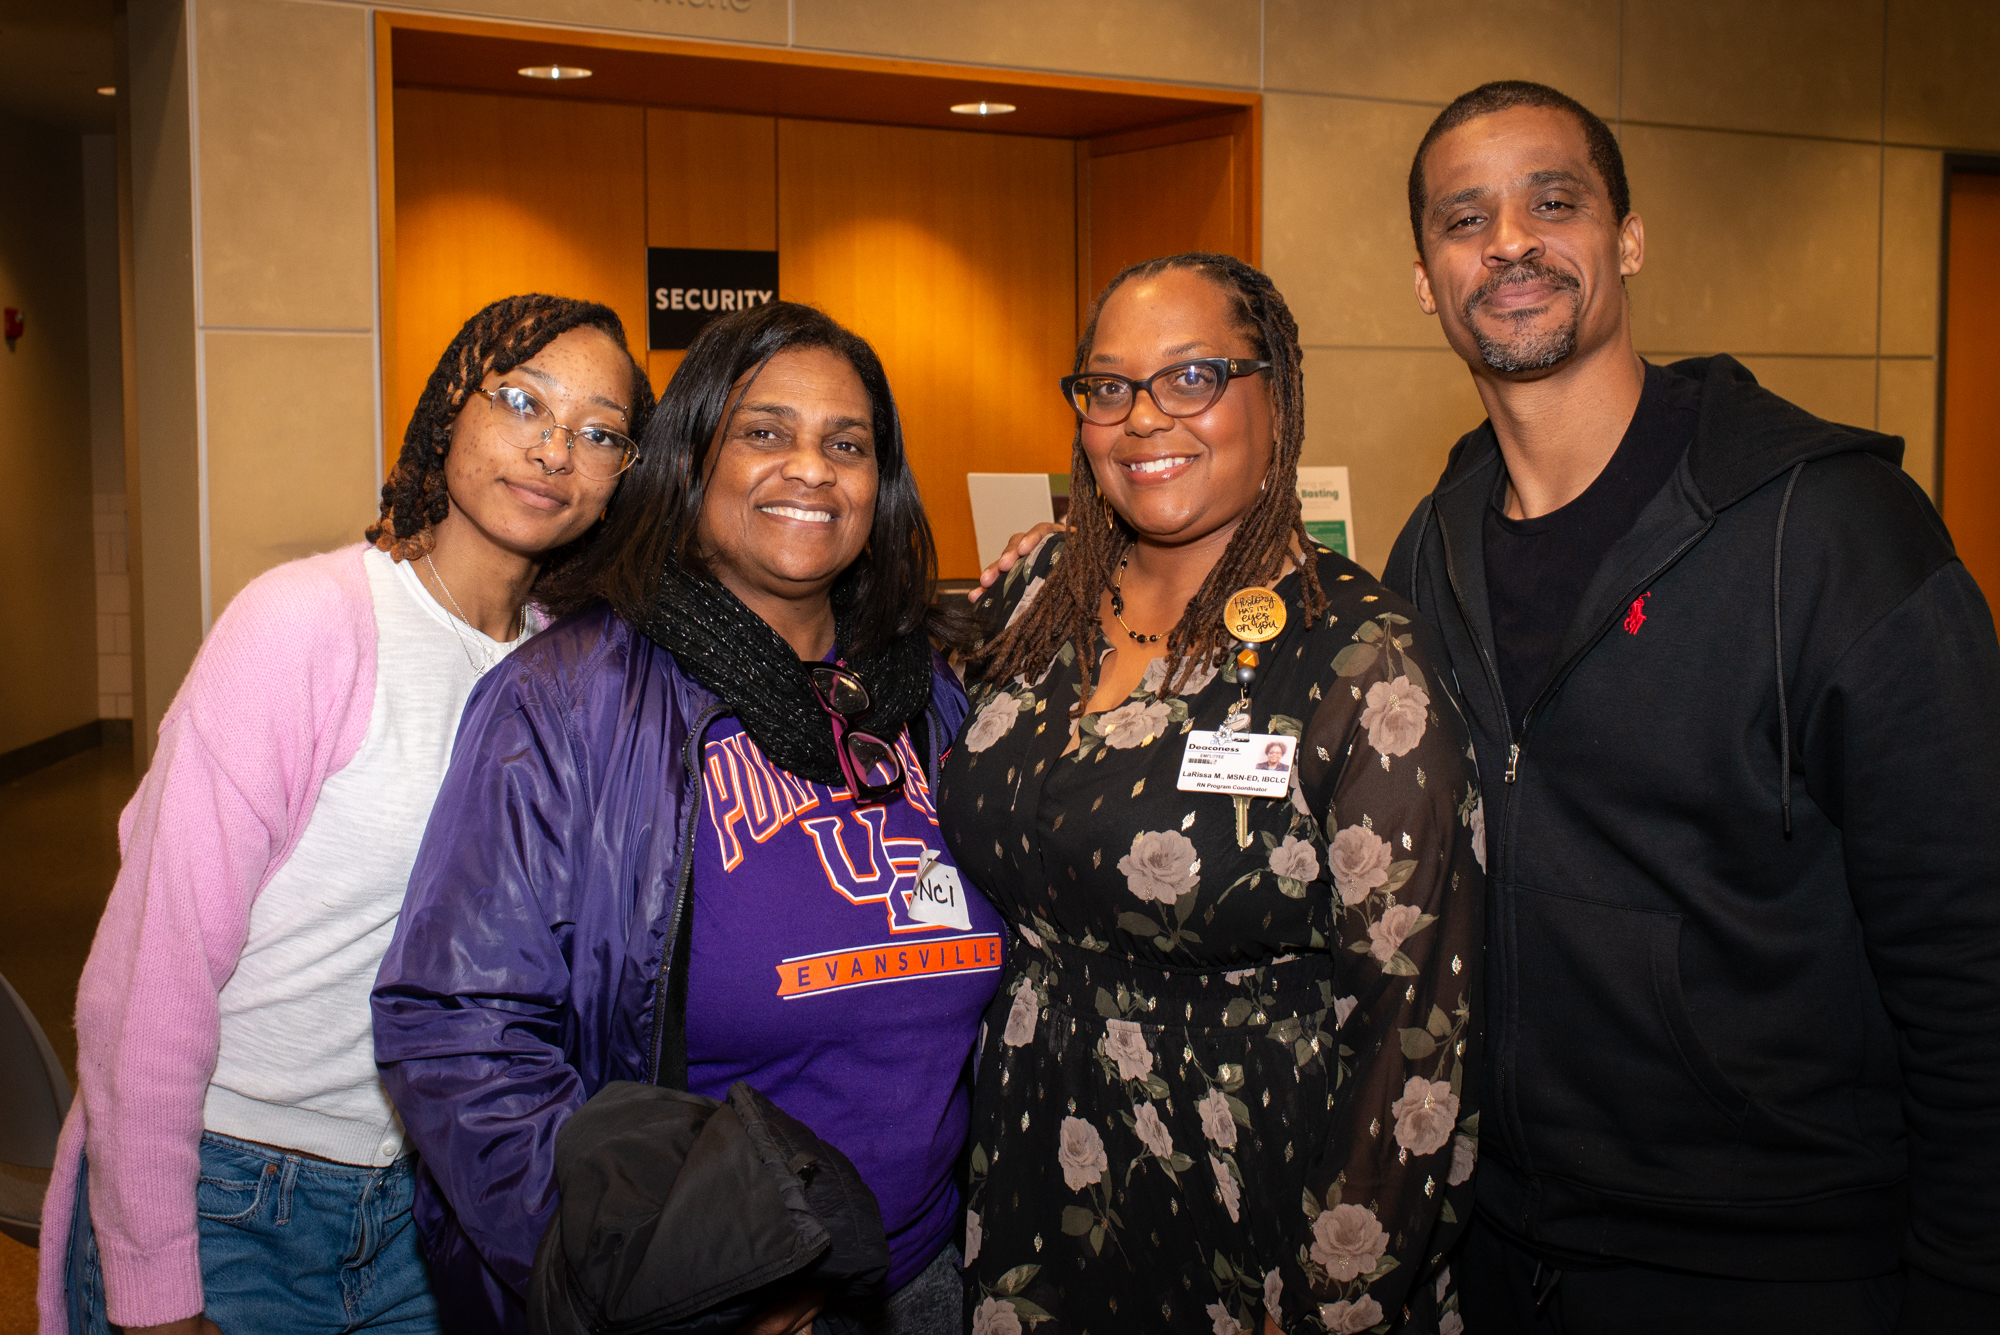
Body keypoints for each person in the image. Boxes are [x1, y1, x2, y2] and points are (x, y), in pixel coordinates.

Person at [1384, 80, 2000, 1333]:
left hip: (1775, 1268)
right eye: (1465, 219)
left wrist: (1965, 1282)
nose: (1508, 243)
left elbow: (1967, 949)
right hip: (1495, 1252)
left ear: (1626, 240)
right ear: (1423, 282)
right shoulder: (1432, 546)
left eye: (1552, 203)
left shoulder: (1828, 531)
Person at [370, 301, 997, 1335]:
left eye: (846, 444)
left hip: (931, 1271)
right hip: (707, 1297)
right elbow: (456, 1029)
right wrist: (656, 1274)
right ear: (690, 462)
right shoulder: (566, 703)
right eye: (764, 432)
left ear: (879, 485)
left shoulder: (925, 694)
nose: (810, 468)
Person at [37, 294, 653, 1335]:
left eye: (599, 432)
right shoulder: (311, 622)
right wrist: (152, 1281)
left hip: (431, 1204)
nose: (555, 450)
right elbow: (150, 969)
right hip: (229, 1190)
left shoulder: (574, 670)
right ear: (450, 409)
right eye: (522, 401)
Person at [941, 252, 1484, 1335]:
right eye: (1109, 386)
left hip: (1257, 1197)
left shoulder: (1362, 663)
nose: (1144, 416)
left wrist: (1333, 1294)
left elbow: (1418, 1027)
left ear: (1276, 395)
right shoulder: (1036, 597)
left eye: (1192, 377)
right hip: (1029, 1172)